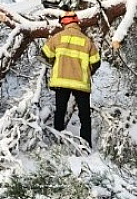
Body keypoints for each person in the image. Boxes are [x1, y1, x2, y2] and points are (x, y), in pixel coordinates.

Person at [42, 11, 101, 147]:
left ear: (64, 23)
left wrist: (55, 62)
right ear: (76, 23)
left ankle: (58, 143)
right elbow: (96, 62)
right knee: (85, 117)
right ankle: (86, 145)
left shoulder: (58, 38)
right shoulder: (86, 41)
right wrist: (86, 72)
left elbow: (45, 54)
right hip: (81, 84)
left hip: (61, 82)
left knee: (60, 113)